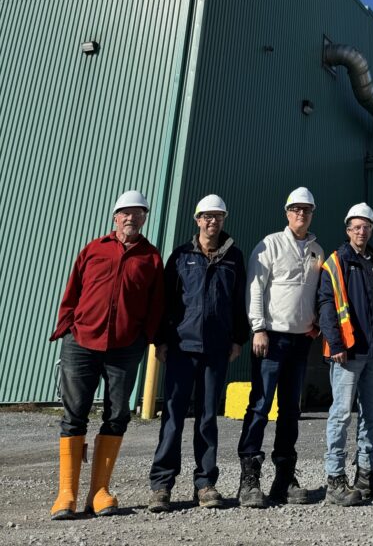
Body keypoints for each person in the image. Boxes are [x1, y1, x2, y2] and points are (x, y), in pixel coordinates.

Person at [49, 191, 164, 520]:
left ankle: (99, 491)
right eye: (125, 213)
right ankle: (66, 493)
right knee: (74, 414)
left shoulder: (150, 258)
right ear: (115, 218)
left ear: (144, 219)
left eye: (138, 213)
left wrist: (149, 338)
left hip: (125, 347)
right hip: (82, 341)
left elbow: (157, 304)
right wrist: (67, 326)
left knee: (117, 415)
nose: (131, 218)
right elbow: (73, 289)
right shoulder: (93, 249)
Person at [148, 194, 250, 512]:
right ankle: (162, 485)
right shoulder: (180, 256)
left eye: (217, 216)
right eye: (206, 216)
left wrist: (238, 340)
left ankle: (205, 484)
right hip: (181, 348)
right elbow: (164, 302)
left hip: (217, 349)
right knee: (174, 418)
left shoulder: (234, 257)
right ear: (197, 220)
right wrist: (160, 341)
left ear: (223, 220)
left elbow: (238, 303)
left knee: (207, 419)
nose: (212, 222)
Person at [236, 187, 324, 507]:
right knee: (260, 406)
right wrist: (258, 328)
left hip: (301, 341)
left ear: (312, 214)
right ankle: (249, 477)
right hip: (270, 340)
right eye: (296, 209)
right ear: (287, 213)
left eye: (307, 209)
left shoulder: (317, 250)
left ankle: (285, 477)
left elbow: (318, 293)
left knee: (290, 410)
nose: (301, 213)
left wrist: (316, 321)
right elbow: (255, 288)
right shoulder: (270, 245)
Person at [318, 203, 373, 506]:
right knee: (340, 415)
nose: (361, 231)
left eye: (366, 226)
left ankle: (365, 475)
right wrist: (336, 344)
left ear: (372, 229)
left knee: (372, 415)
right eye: (355, 226)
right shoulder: (336, 262)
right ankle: (335, 479)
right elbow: (327, 304)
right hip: (349, 351)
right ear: (347, 229)